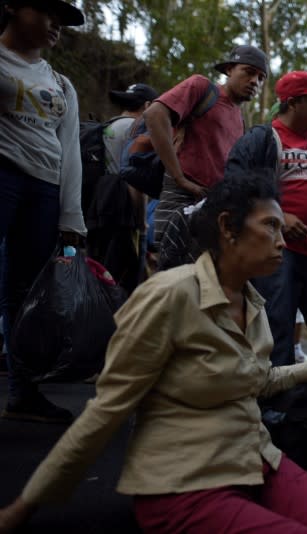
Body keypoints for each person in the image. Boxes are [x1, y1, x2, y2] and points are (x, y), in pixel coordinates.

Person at [0, 172, 307, 534]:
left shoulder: (254, 304)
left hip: (256, 462)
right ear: (227, 228)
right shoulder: (170, 295)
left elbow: (254, 381)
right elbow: (105, 412)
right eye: (270, 225)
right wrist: (23, 506)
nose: (282, 239)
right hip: (185, 485)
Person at [226, 70, 307, 367]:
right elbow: (234, 184)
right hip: (277, 254)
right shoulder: (262, 140)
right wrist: (280, 217)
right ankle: (276, 407)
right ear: (293, 103)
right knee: (276, 328)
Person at [0, 0, 86, 423]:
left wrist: (72, 217)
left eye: (62, 20)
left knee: (24, 295)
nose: (56, 25)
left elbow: (70, 152)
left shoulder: (61, 84)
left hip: (44, 188)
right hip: (4, 175)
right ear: (14, 7)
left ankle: (23, 390)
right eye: (48, 12)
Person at [147, 44, 267, 246]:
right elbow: (154, 115)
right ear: (229, 69)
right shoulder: (201, 88)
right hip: (181, 196)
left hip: (212, 205)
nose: (255, 81)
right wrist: (179, 178)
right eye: (249, 72)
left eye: (261, 77)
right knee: (174, 270)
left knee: (204, 273)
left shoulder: (240, 119)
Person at [85, 83, 159, 293]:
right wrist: (142, 221)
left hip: (98, 208)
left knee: (97, 273)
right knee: (125, 282)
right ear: (148, 105)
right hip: (124, 215)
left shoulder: (108, 127)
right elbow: (135, 179)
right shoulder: (137, 130)